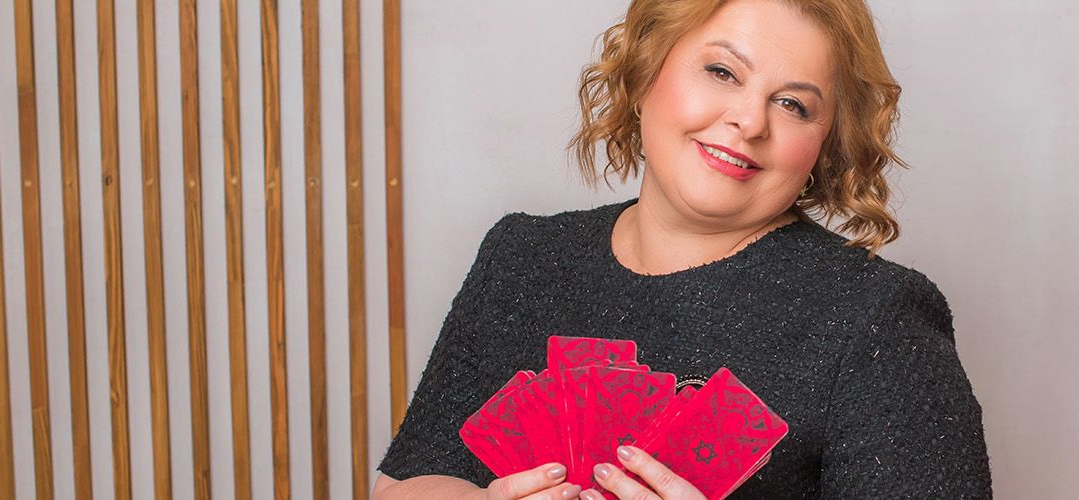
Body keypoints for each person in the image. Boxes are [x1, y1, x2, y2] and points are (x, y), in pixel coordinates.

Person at [373, 0, 992, 498]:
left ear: (823, 146)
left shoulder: (877, 318)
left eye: (793, 104)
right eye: (722, 71)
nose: (750, 121)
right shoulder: (523, 257)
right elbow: (405, 483)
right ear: (645, 72)